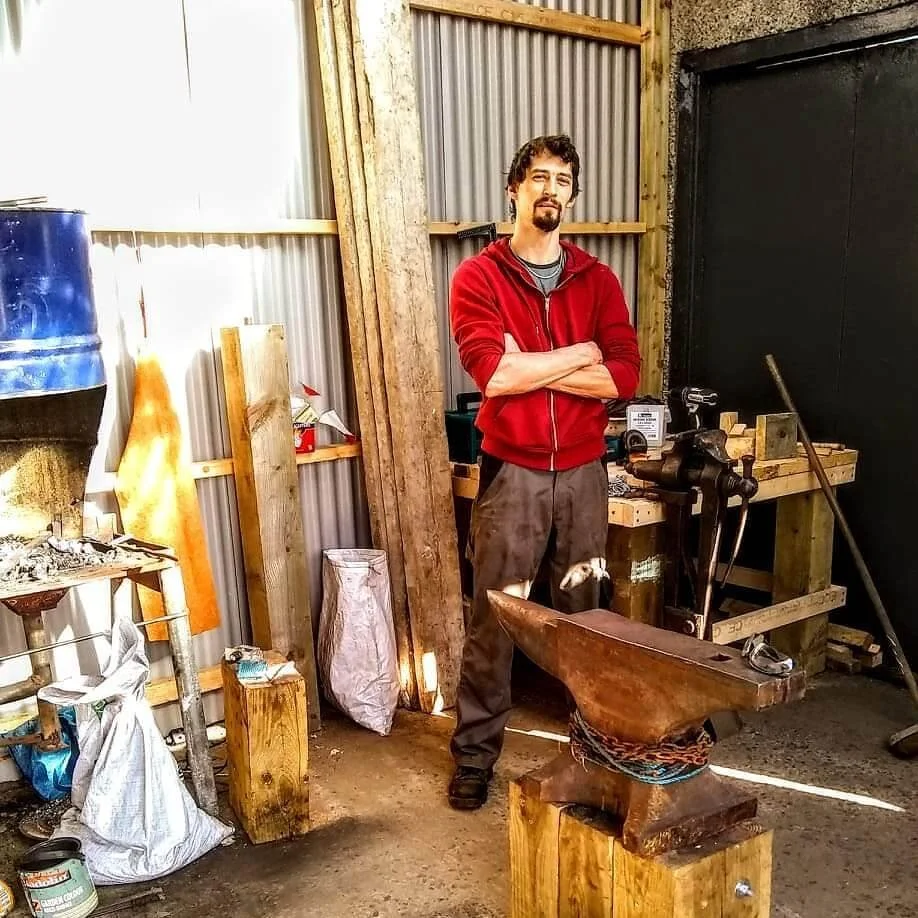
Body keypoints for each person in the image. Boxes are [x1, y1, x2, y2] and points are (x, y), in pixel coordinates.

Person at [446, 134, 641, 810]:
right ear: (514, 190)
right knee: (495, 620)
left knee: (587, 618)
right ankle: (474, 758)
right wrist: (580, 353)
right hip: (513, 474)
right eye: (538, 177)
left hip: (585, 471)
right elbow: (494, 375)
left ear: (573, 196)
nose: (550, 189)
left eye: (562, 179)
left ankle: (595, 753)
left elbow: (622, 377)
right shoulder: (479, 278)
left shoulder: (598, 280)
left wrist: (535, 364)